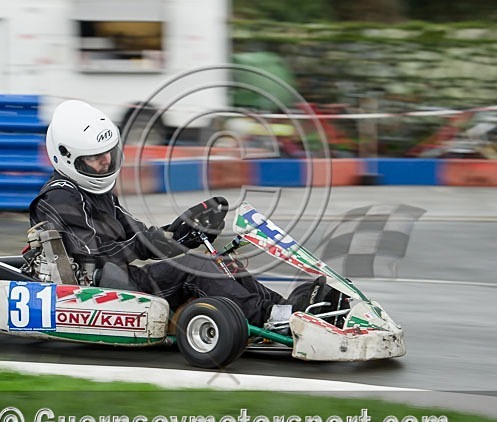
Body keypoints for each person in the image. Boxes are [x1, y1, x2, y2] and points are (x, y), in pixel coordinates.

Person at [29, 100, 329, 327]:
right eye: (95, 157)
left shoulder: (95, 190)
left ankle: (285, 310)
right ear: (66, 156)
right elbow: (95, 254)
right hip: (96, 291)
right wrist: (160, 243)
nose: (106, 162)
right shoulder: (59, 198)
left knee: (217, 259)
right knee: (191, 267)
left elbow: (135, 234)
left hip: (118, 276)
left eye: (108, 152)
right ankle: (271, 318)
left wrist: (177, 233)